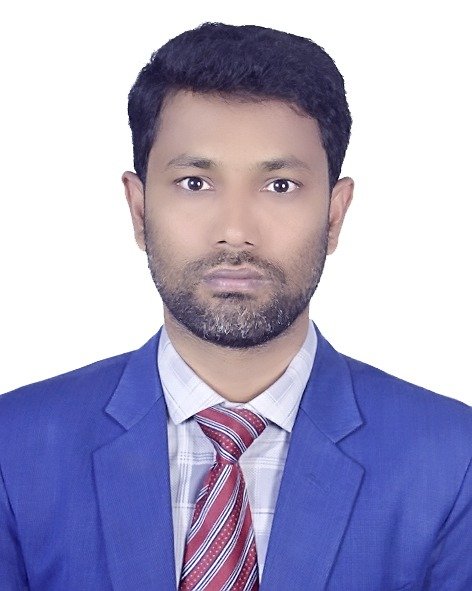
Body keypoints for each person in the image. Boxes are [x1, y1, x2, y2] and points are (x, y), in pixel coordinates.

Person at [0, 21, 471, 591]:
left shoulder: (452, 459)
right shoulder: (14, 447)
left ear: (335, 214)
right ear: (139, 210)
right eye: (195, 183)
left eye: (280, 186)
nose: (235, 230)